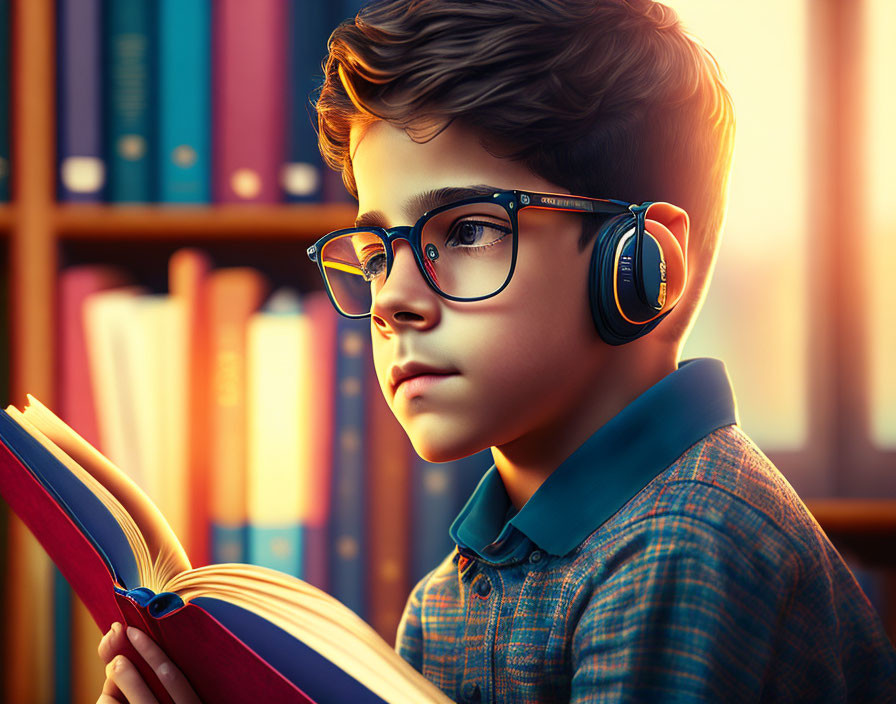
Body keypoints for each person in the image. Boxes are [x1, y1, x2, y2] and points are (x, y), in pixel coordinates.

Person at [96, 1, 896, 702]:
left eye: (468, 230)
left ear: (640, 264)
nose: (390, 298)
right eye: (377, 250)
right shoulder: (445, 600)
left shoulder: (686, 550)